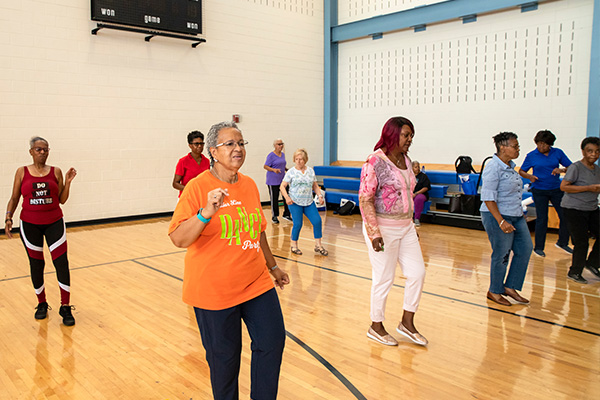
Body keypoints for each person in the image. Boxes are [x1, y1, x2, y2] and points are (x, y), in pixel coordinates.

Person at [168, 121, 289, 400]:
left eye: (242, 143)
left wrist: (273, 267)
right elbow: (178, 238)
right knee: (224, 361)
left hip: (256, 283)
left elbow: (256, 230)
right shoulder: (198, 188)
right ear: (213, 151)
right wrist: (205, 212)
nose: (238, 149)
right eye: (230, 144)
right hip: (214, 291)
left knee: (272, 342)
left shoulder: (248, 185)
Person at [359, 116, 428, 347]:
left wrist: (410, 224)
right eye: (406, 135)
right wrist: (374, 232)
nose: (410, 140)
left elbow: (408, 194)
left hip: (405, 227)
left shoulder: (407, 160)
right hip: (382, 229)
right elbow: (366, 199)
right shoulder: (374, 162)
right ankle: (376, 326)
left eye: (411, 136)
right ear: (392, 134)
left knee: (417, 273)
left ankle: (407, 323)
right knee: (384, 278)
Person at [4, 137, 77, 326]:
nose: (42, 152)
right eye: (38, 149)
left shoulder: (56, 172)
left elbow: (61, 199)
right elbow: (14, 198)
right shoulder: (21, 172)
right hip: (29, 225)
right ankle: (42, 304)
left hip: (54, 222)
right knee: (37, 265)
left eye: (45, 149)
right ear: (31, 151)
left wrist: (68, 182)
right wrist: (8, 217)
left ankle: (66, 306)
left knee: (61, 263)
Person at [480, 132, 533, 306]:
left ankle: (510, 287)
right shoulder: (493, 167)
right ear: (503, 147)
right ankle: (494, 290)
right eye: (515, 146)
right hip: (497, 216)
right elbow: (488, 198)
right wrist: (501, 221)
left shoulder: (510, 166)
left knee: (525, 249)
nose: (518, 149)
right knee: (502, 254)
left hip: (516, 215)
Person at [519, 130, 573, 257]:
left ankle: (562, 242)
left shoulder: (557, 152)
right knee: (542, 218)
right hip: (539, 190)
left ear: (550, 144)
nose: (541, 147)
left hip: (556, 189)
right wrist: (530, 177)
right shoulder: (532, 155)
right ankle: (538, 248)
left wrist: (562, 169)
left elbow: (571, 167)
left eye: (545, 144)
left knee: (565, 216)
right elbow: (521, 171)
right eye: (539, 144)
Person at [560, 137, 600, 284]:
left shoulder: (597, 170)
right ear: (583, 151)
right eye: (590, 151)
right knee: (582, 242)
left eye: (597, 152)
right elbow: (564, 187)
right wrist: (589, 188)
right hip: (573, 209)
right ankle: (575, 272)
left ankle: (592, 263)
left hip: (592, 208)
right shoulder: (575, 167)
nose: (593, 155)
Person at [280, 149, 328, 256]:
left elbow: (315, 185)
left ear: (305, 160)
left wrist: (319, 195)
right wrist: (287, 197)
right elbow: (282, 186)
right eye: (296, 159)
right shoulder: (291, 172)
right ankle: (294, 245)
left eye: (301, 159)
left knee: (317, 221)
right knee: (298, 224)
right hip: (295, 202)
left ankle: (318, 245)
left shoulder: (310, 171)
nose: (298, 161)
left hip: (308, 201)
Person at [172, 130, 210, 196]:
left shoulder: (206, 161)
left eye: (201, 143)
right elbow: (175, 183)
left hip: (201, 197)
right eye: (196, 144)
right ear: (190, 145)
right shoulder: (183, 161)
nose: (200, 146)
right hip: (186, 197)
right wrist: (190, 189)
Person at [264, 138, 291, 224]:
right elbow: (265, 166)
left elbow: (282, 165)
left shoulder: (282, 154)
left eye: (282, 144)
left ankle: (287, 214)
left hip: (282, 180)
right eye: (279, 144)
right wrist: (274, 170)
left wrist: (287, 169)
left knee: (287, 196)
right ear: (275, 146)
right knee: (274, 199)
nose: (281, 146)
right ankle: (274, 216)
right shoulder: (271, 155)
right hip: (273, 181)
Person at [411, 160, 431, 227]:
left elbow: (426, 187)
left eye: (418, 167)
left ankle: (417, 218)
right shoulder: (409, 176)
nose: (418, 168)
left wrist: (416, 193)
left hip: (421, 194)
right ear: (412, 168)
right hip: (410, 193)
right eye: (416, 167)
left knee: (419, 198)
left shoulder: (423, 176)